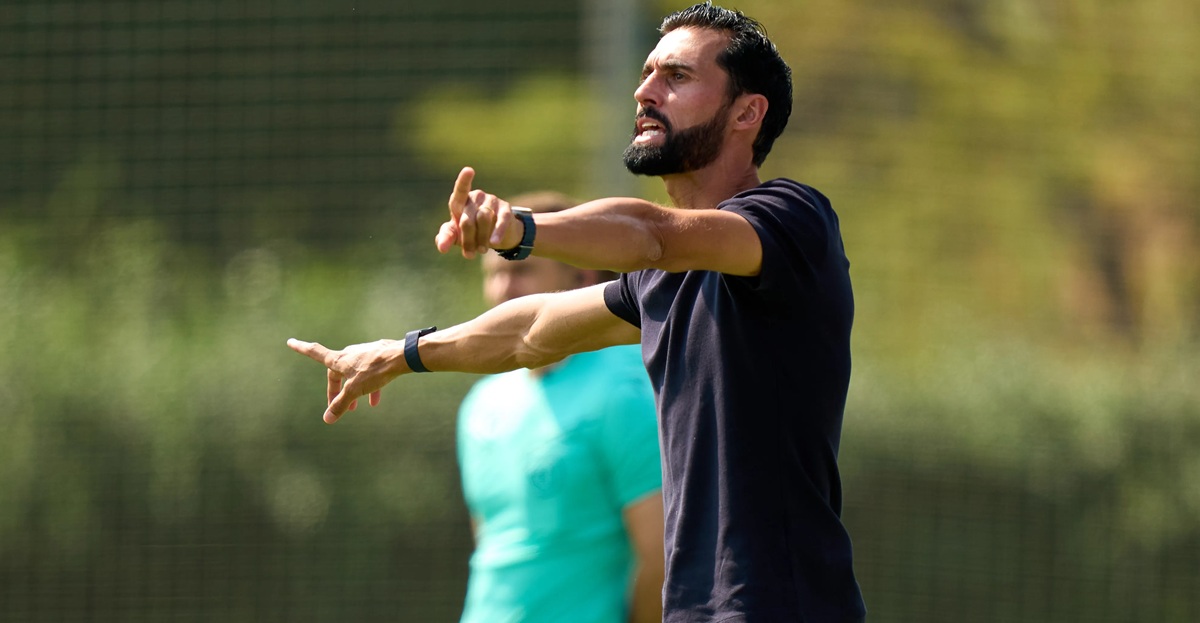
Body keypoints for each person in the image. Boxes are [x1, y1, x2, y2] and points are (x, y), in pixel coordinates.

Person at [289, 3, 867, 621]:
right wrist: (403, 353)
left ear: (747, 112)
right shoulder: (659, 283)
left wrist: (519, 228)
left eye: (676, 76)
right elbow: (530, 331)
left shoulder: (791, 219)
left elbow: (655, 233)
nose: (645, 92)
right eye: (646, 73)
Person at [456, 191, 664, 623]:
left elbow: (661, 559)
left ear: (582, 281)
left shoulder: (627, 389)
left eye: (521, 270)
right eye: (492, 272)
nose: (501, 290)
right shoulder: (481, 405)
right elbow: (496, 548)